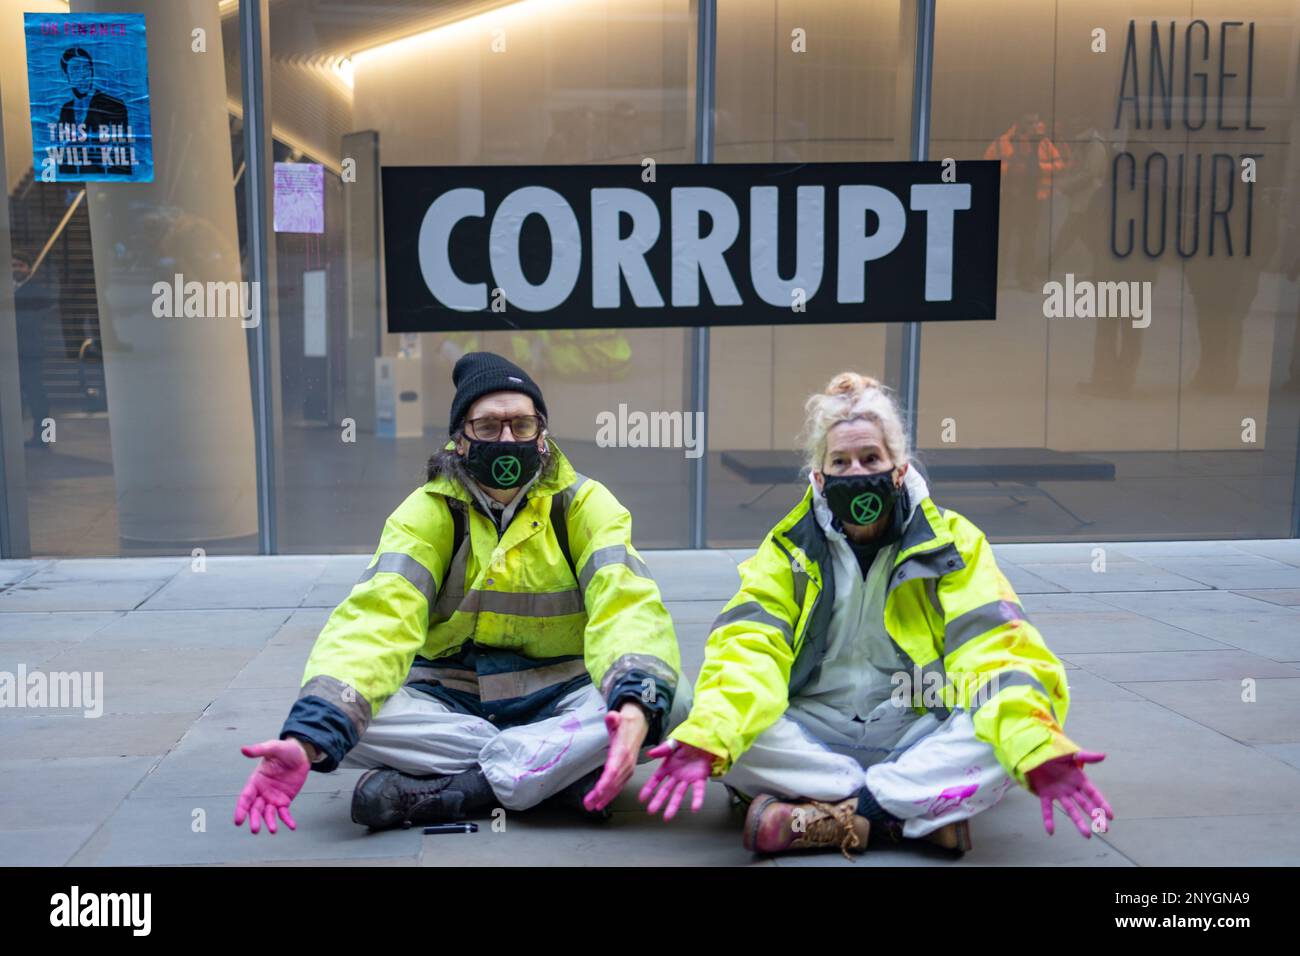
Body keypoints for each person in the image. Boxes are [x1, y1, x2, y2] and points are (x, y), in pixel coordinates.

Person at [640, 372, 1113, 858]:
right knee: (710, 725)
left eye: (871, 458)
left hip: (919, 728)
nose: (856, 472)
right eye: (840, 462)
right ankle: (911, 812)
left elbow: (995, 646)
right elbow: (747, 651)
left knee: (1014, 727)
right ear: (819, 478)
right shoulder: (786, 550)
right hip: (814, 732)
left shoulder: (953, 542)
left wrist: (1035, 744)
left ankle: (838, 815)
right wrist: (709, 737)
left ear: (899, 469)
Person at [234, 352, 687, 834]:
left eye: (522, 424)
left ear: (543, 433)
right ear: (460, 439)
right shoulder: (425, 513)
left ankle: (466, 788)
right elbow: (377, 621)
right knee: (347, 718)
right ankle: (548, 773)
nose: (508, 438)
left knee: (665, 703)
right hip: (449, 703)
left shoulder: (586, 505)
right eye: (489, 427)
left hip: (563, 695)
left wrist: (634, 704)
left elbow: (626, 605)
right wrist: (308, 739)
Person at [57, 47, 131, 176]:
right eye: (75, 70)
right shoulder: (66, 110)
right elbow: (63, 154)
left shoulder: (113, 105)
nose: (83, 75)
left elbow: (121, 156)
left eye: (86, 68)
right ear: (66, 75)